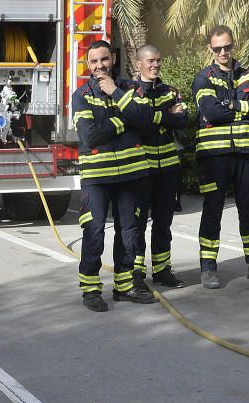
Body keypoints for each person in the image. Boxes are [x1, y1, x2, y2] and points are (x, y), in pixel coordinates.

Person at [192, 26, 249, 289]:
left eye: (227, 47)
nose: (223, 52)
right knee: (212, 211)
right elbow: (211, 112)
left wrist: (231, 104)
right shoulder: (203, 78)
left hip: (245, 154)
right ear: (210, 49)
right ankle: (208, 268)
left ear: (234, 45)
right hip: (214, 156)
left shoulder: (248, 75)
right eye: (217, 48)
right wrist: (245, 106)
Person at [72, 40, 155, 312]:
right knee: (94, 232)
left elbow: (145, 120)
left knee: (129, 232)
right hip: (97, 178)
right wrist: (123, 121)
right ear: (88, 65)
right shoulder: (81, 95)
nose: (100, 66)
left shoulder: (130, 89)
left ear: (113, 58)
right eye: (94, 61)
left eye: (104, 60)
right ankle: (91, 290)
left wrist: (117, 94)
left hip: (131, 176)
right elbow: (89, 136)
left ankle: (125, 286)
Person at [129, 44, 188, 289]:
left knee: (163, 223)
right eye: (151, 61)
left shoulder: (170, 91)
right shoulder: (130, 92)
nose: (155, 65)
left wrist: (153, 118)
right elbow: (137, 125)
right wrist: (166, 117)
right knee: (138, 223)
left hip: (168, 170)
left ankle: (162, 270)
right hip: (142, 169)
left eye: (159, 61)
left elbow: (183, 120)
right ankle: (136, 273)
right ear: (139, 63)